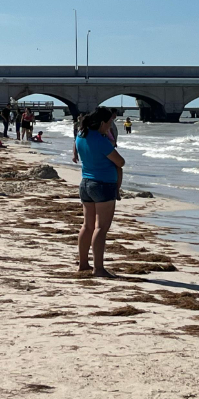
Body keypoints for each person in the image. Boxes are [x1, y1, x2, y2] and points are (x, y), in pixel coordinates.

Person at [75, 107, 125, 278]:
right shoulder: (101, 141)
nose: (110, 126)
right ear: (102, 122)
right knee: (101, 228)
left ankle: (83, 264)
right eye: (110, 122)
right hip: (103, 185)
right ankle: (98, 268)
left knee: (87, 226)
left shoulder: (81, 136)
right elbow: (120, 161)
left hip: (85, 183)